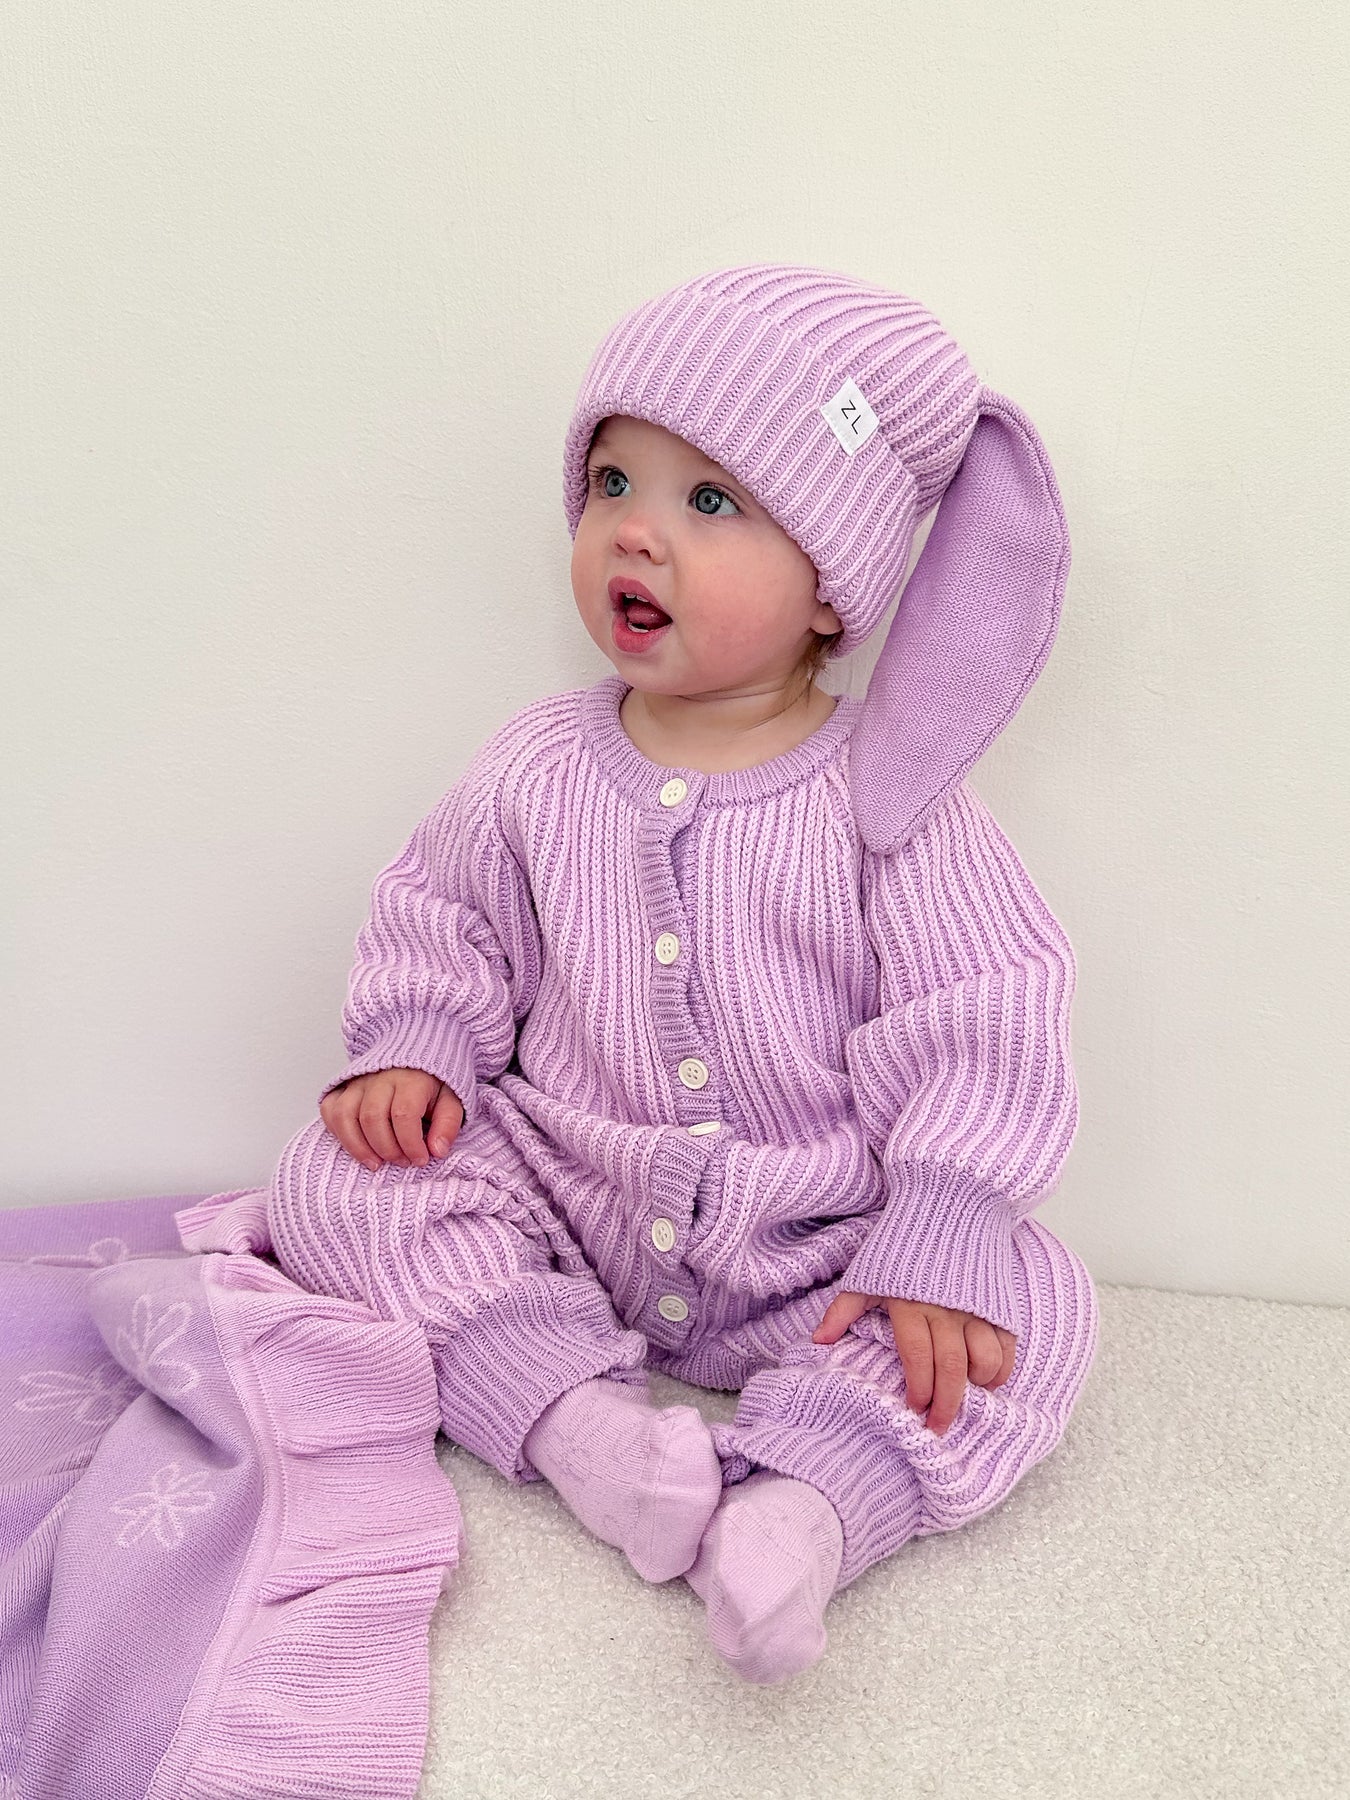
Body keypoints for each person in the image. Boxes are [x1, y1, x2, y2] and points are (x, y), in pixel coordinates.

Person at [258, 264, 1099, 1684]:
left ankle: (808, 1510)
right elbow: (446, 916)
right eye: (610, 483)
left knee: (1028, 1302)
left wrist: (942, 1219)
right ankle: (586, 1434)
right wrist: (417, 1045)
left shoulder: (891, 802)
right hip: (566, 1203)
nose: (635, 531)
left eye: (710, 501)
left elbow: (984, 1016)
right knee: (330, 1182)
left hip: (811, 1247)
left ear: (832, 587)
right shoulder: (537, 765)